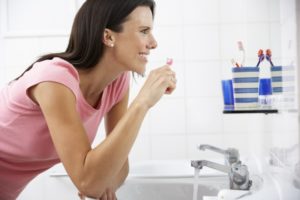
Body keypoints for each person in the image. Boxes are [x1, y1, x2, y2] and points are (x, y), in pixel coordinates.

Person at [0, 0, 177, 199]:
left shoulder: (117, 82)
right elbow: (88, 182)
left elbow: (119, 168)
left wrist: (102, 183)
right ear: (108, 36)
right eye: (144, 31)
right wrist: (142, 102)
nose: (153, 43)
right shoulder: (54, 80)